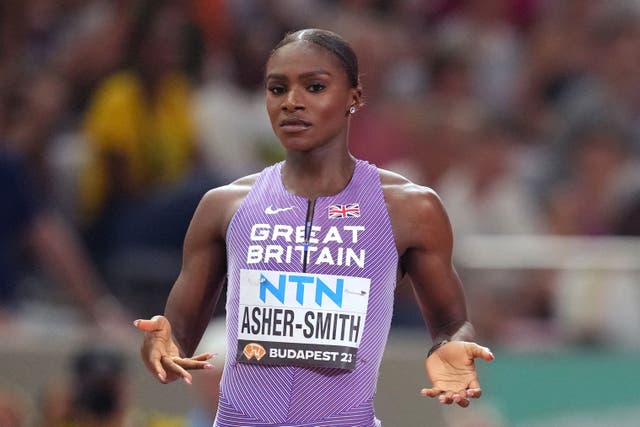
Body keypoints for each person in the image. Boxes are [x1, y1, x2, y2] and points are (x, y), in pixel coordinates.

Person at [135, 29, 494, 427]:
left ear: (353, 98)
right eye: (277, 88)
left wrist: (452, 347)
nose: (292, 102)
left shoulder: (410, 208)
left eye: (315, 86)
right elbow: (176, 335)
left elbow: (451, 321)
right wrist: (160, 346)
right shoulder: (224, 206)